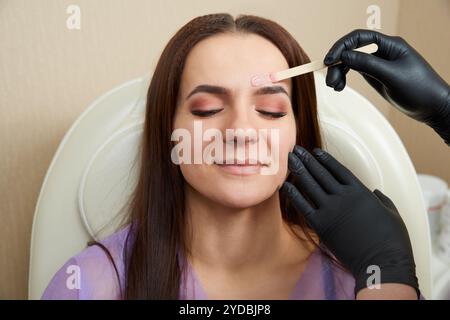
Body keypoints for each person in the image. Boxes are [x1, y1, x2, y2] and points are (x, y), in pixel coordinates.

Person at [282, 29, 450, 300]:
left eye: (269, 111)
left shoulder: (345, 278)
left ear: (300, 130)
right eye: (207, 109)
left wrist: (384, 276)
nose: (240, 130)